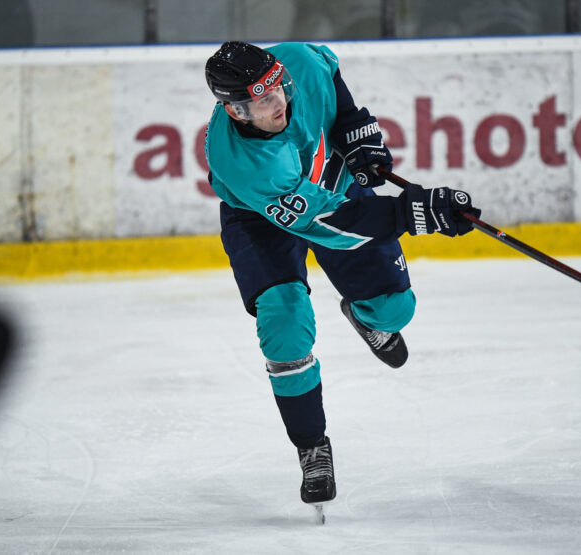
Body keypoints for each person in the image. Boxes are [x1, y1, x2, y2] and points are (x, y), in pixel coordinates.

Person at [203, 41, 480, 507]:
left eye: (278, 88)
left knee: (395, 310)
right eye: (262, 101)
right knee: (285, 324)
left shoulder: (298, 63)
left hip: (331, 185)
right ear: (235, 111)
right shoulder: (246, 164)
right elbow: (334, 225)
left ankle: (365, 316)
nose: (279, 102)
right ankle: (311, 444)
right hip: (260, 217)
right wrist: (413, 213)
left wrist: (353, 129)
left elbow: (328, 75)